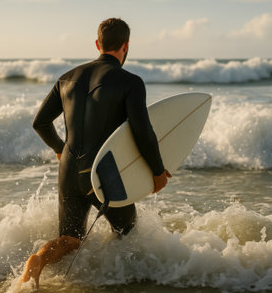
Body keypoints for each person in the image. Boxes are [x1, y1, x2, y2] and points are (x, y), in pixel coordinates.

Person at [21, 18, 172, 288]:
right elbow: (142, 131)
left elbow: (40, 123)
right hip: (105, 172)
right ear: (126, 46)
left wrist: (59, 149)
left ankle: (38, 262)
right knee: (128, 233)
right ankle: (121, 282)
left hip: (68, 169)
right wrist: (157, 171)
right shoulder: (131, 82)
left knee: (69, 240)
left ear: (97, 44)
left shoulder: (66, 78)